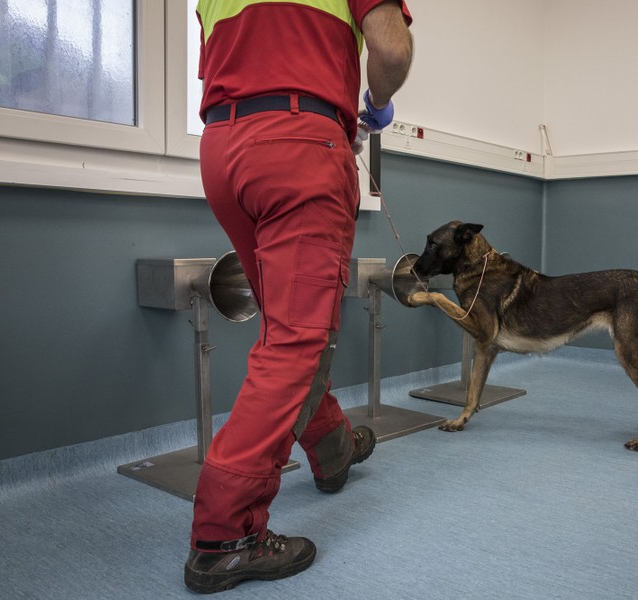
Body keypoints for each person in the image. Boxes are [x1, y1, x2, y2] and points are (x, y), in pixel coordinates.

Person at [185, 0, 413, 594]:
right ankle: (224, 534)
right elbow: (391, 49)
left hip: (222, 150)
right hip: (297, 146)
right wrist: (375, 107)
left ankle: (333, 449)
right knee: (298, 341)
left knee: (287, 328)